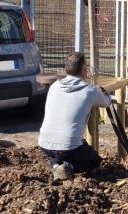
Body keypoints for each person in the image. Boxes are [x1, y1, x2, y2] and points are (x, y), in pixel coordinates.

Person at [38, 52, 111, 181]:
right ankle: (68, 167)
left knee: (62, 150)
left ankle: (56, 164)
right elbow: (107, 102)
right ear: (83, 70)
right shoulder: (90, 91)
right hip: (69, 147)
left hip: (44, 144)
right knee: (94, 160)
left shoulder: (54, 86)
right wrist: (102, 92)